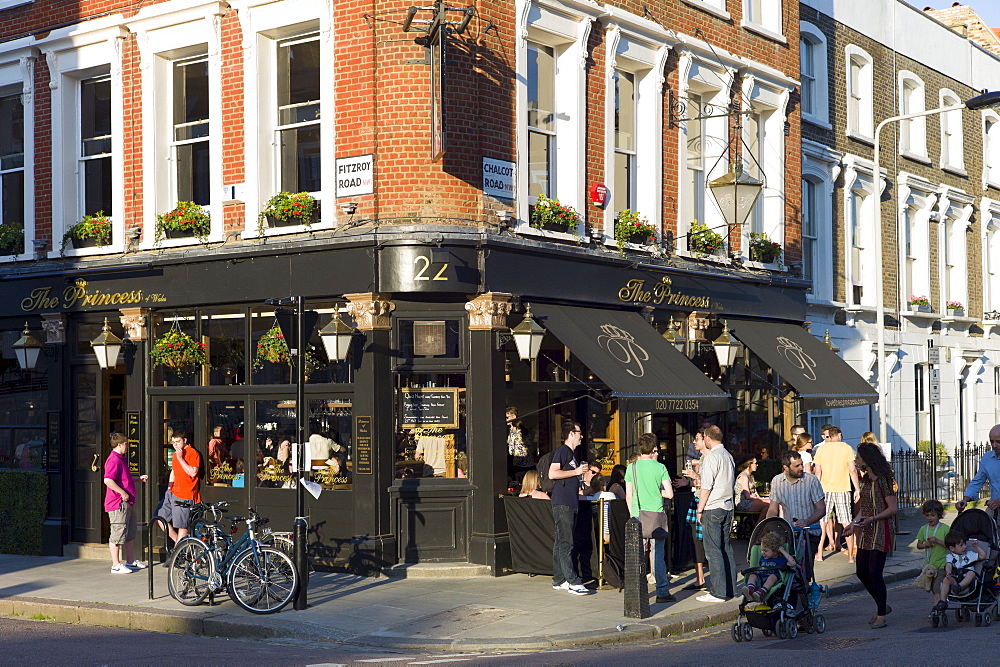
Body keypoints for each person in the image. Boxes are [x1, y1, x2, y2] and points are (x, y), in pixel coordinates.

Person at [844, 442, 897, 628]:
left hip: (881, 530)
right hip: (867, 530)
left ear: (867, 458)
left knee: (875, 573)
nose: (856, 461)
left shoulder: (883, 480)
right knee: (861, 572)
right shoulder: (865, 479)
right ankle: (882, 604)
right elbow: (864, 508)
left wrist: (873, 518)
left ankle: (881, 614)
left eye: (858, 457)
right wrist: (853, 523)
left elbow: (892, 508)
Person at [626, 433, 676, 604]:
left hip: (637, 514)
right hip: (656, 515)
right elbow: (669, 493)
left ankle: (637, 592)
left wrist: (632, 514)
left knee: (637, 555)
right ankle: (662, 591)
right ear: (653, 448)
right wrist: (657, 492)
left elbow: (628, 495)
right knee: (657, 554)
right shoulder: (660, 467)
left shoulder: (631, 468)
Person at [547, 420, 594, 595]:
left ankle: (559, 580)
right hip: (563, 504)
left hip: (569, 503)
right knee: (567, 543)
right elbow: (553, 473)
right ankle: (573, 582)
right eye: (579, 432)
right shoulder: (563, 451)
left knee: (560, 542)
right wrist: (576, 472)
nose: (582, 436)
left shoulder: (571, 455)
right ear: (571, 434)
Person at [766, 450, 826, 581]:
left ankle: (804, 596)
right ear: (786, 468)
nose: (801, 468)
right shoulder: (777, 481)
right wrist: (768, 527)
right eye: (797, 466)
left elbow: (821, 509)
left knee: (803, 572)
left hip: (810, 532)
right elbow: (772, 510)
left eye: (801, 464)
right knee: (785, 569)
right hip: (789, 533)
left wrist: (807, 521)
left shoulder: (811, 480)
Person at [696, 425, 737, 603]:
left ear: (707, 438)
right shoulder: (728, 455)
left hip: (713, 506)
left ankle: (718, 592)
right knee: (726, 548)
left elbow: (706, 488)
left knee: (713, 550)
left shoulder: (712, 456)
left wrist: (700, 509)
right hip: (728, 506)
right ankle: (731, 589)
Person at [813, 425, 860, 563]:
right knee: (846, 522)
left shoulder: (821, 449)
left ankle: (819, 553)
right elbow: (852, 470)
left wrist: (816, 489)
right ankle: (851, 556)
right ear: (838, 435)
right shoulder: (846, 448)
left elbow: (817, 471)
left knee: (823, 522)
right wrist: (857, 489)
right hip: (842, 488)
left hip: (824, 489)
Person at [103, 432, 148, 573]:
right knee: (117, 533)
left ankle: (129, 562)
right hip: (117, 503)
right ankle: (115, 565)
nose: (128, 446)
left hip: (127, 502)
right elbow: (107, 480)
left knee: (129, 532)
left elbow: (123, 479)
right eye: (126, 444)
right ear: (120, 444)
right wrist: (122, 492)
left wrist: (138, 479)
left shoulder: (120, 458)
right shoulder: (114, 460)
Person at [155, 431, 201, 544]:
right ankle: (178, 543)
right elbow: (174, 471)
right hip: (173, 491)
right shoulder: (176, 454)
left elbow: (193, 473)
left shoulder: (192, 453)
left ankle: (177, 554)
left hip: (185, 494)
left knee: (182, 525)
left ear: (185, 440)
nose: (175, 445)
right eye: (173, 442)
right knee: (159, 518)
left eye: (178, 442)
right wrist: (169, 487)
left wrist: (181, 458)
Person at [680, 431, 708, 591]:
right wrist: (689, 483)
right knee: (696, 542)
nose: (694, 442)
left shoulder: (710, 458)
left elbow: (710, 484)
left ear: (706, 440)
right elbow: (699, 485)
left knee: (708, 544)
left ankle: (718, 584)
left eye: (697, 438)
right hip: (697, 502)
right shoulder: (703, 459)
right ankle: (700, 578)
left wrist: (695, 475)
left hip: (705, 506)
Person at [955, 424, 1000, 515]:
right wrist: (965, 500)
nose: (994, 445)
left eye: (998, 442)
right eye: (991, 441)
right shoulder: (987, 458)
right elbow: (977, 481)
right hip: (995, 508)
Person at [935, 532, 988, 610]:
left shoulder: (969, 554)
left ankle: (959, 587)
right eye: (961, 545)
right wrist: (948, 572)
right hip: (956, 578)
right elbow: (948, 565)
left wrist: (976, 547)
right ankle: (943, 601)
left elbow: (983, 556)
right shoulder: (950, 556)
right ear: (952, 548)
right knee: (946, 579)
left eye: (964, 544)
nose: (964, 547)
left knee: (971, 573)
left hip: (968, 580)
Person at [742, 530, 796, 601]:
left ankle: (761, 592)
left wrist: (783, 551)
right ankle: (750, 590)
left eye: (766, 551)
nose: (763, 553)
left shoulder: (781, 559)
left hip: (771, 582)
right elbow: (759, 567)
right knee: (753, 575)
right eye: (762, 550)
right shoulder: (762, 558)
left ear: (775, 550)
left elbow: (793, 563)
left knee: (772, 577)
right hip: (760, 579)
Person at [916, 499, 949, 606]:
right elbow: (919, 545)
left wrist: (938, 541)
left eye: (933, 515)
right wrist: (925, 544)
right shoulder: (923, 529)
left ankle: (937, 609)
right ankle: (940, 603)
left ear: (939, 515)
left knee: (937, 589)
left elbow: (950, 545)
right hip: (929, 565)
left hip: (941, 564)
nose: (930, 518)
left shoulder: (945, 529)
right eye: (927, 515)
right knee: (931, 588)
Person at [734, 454, 770, 523]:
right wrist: (762, 499)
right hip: (743, 503)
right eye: (755, 463)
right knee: (767, 505)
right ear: (749, 464)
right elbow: (747, 496)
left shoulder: (751, 476)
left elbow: (755, 492)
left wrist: (763, 498)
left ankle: (756, 524)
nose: (757, 465)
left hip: (751, 501)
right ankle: (758, 526)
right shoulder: (744, 477)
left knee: (773, 502)